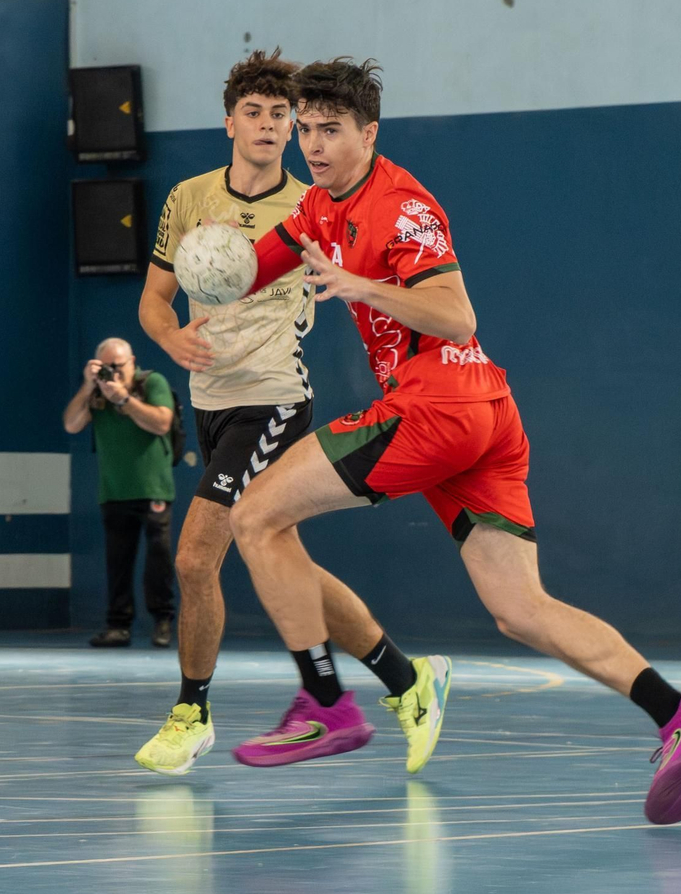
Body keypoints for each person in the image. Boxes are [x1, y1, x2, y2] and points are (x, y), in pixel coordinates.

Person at [231, 59, 681, 824]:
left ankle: (328, 703)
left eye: (331, 130)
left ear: (370, 132)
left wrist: (362, 287)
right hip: (484, 415)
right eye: (305, 129)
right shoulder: (319, 209)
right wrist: (191, 282)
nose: (313, 144)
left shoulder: (402, 207)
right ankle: (678, 711)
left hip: (438, 406)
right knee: (520, 608)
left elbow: (457, 316)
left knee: (254, 516)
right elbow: (251, 266)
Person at [132, 49, 451, 777]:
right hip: (209, 398)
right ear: (230, 123)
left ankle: (196, 712)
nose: (275, 127)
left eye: (286, 115)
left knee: (195, 554)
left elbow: (377, 271)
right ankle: (407, 682)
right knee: (281, 552)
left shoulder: (313, 204)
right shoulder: (188, 198)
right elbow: (154, 298)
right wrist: (170, 336)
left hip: (274, 396)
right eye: (259, 113)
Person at [62, 337, 178, 648]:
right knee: (118, 560)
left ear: (132, 361)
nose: (112, 373)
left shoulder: (151, 382)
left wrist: (124, 399)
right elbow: (72, 425)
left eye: (118, 366)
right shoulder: (97, 393)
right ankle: (118, 625)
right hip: (113, 491)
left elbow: (162, 423)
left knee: (159, 558)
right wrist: (89, 386)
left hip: (153, 488)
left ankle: (163, 621)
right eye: (106, 367)